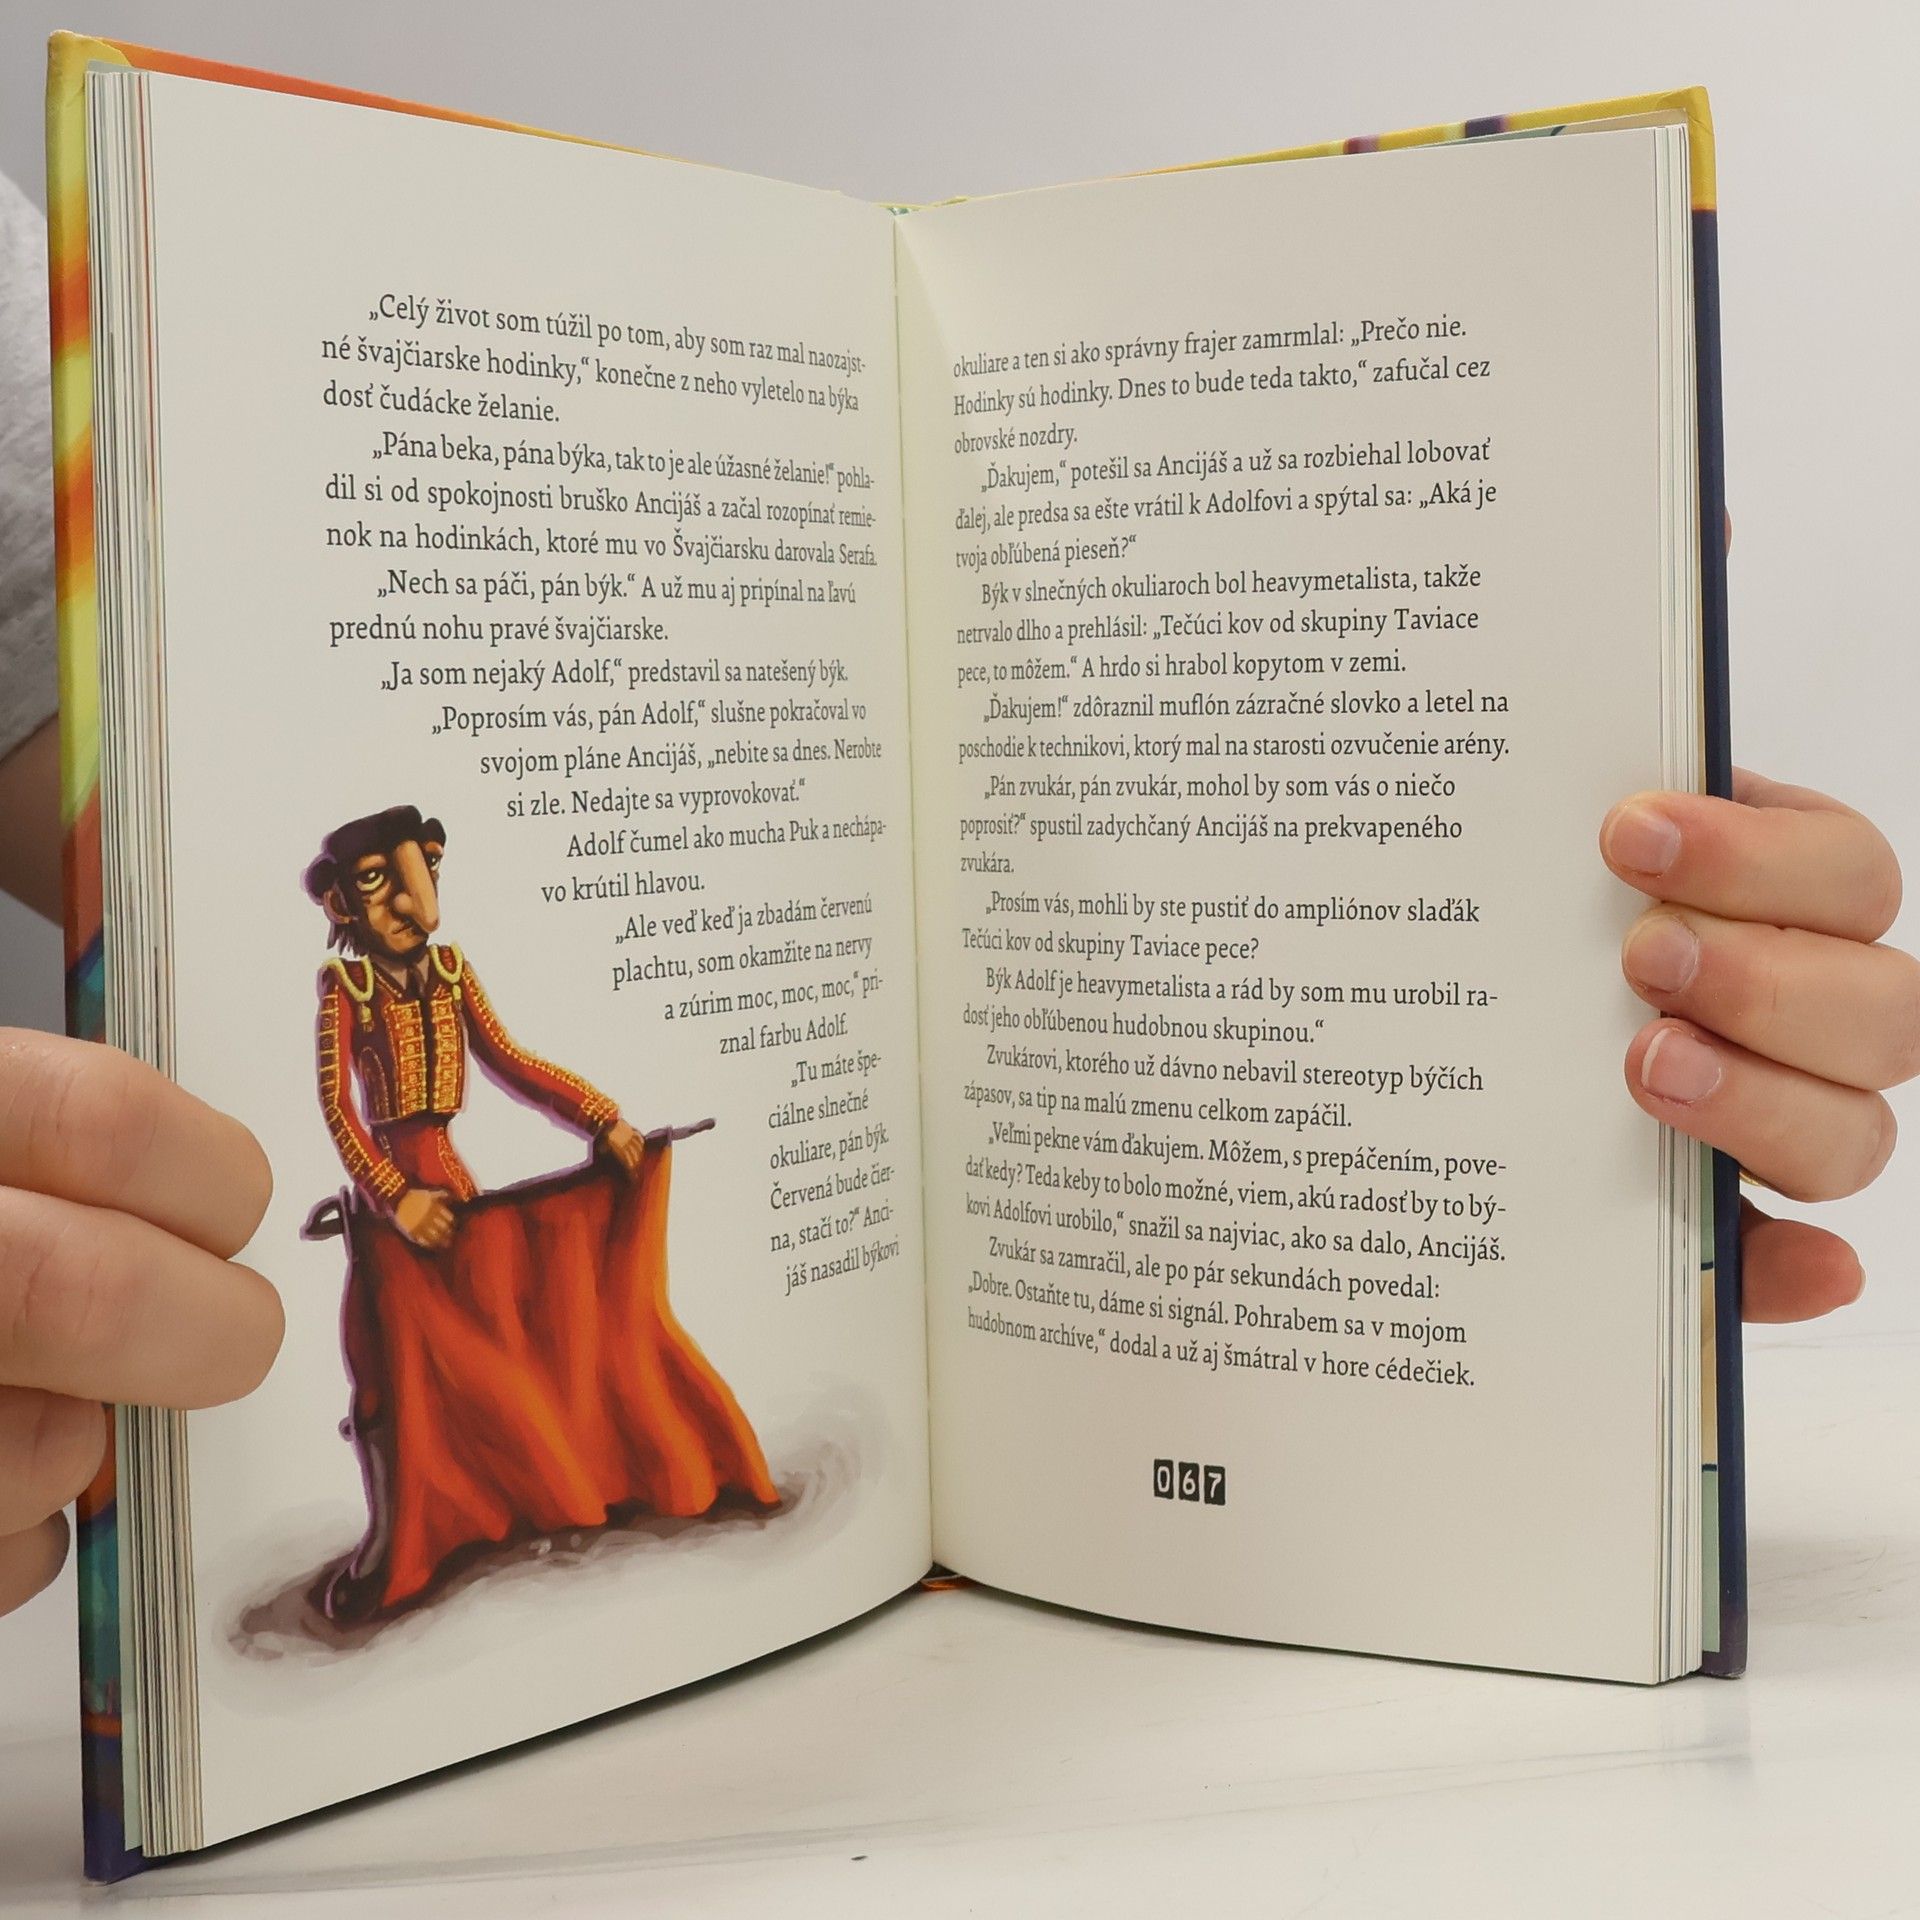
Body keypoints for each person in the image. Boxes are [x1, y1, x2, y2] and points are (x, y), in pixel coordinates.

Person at [0, 168, 1911, 1620]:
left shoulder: (430, 946)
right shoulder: (350, 985)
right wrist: (395, 1175)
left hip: (479, 1164)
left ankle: (575, 1477)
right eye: (387, 883)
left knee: (560, 1290)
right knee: (413, 1349)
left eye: (419, 873)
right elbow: (338, 1089)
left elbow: (447, 1013)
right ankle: (428, 1530)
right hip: (399, 1185)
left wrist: (1466, 864)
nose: (411, 902)